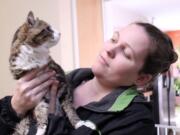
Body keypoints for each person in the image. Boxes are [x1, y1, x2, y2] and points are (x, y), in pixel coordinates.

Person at [0, 22, 178, 135]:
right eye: (114, 39)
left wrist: (53, 121)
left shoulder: (136, 122)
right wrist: (14, 107)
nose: (110, 49)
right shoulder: (63, 78)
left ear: (141, 78)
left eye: (126, 53)